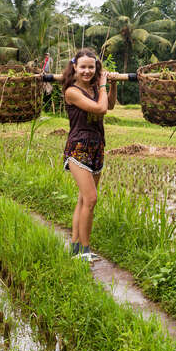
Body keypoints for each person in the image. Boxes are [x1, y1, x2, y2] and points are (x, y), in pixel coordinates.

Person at [61, 48, 117, 262]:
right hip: (78, 147)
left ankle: (75, 247)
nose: (87, 71)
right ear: (74, 67)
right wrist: (102, 85)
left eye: (91, 67)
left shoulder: (96, 88)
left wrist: (112, 85)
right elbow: (100, 109)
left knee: (84, 199)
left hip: (97, 145)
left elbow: (109, 104)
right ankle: (85, 250)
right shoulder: (72, 91)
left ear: (96, 68)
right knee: (91, 199)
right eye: (83, 67)